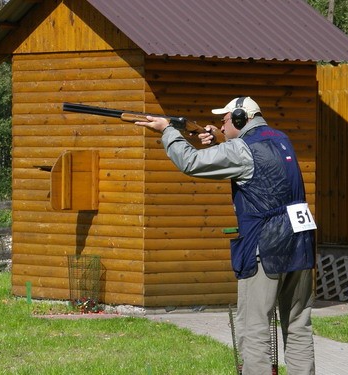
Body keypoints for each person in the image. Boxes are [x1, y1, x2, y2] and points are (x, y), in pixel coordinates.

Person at [135, 97, 316, 375]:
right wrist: (221, 140)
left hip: (265, 244)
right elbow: (260, 169)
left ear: (242, 119)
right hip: (301, 241)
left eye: (226, 118)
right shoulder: (282, 139)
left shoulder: (241, 149)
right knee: (298, 324)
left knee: (254, 325)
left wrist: (167, 131)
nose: (222, 122)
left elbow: (191, 161)